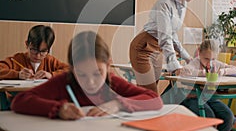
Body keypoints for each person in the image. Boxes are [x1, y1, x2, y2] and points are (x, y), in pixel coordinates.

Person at [11, 31, 163, 120]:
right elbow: (20, 101)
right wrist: (59, 109)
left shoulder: (112, 83)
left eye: (98, 73)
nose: (90, 82)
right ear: (71, 69)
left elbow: (154, 99)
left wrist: (118, 104)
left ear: (108, 65)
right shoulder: (63, 82)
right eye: (81, 74)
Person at [130, 0, 202, 92]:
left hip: (158, 49)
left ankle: (133, 108)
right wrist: (174, 65)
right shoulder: (165, 3)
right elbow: (165, 36)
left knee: (149, 92)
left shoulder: (182, 4)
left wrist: (188, 58)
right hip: (143, 47)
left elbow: (172, 34)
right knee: (149, 93)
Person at [180, 39, 236, 131]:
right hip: (192, 97)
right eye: (206, 59)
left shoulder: (215, 64)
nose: (209, 62)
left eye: (212, 59)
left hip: (210, 98)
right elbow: (185, 72)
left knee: (228, 117)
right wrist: (203, 73)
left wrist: (222, 71)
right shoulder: (195, 63)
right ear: (199, 53)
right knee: (209, 116)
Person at [0, 25, 69, 80]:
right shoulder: (16, 60)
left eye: (43, 51)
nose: (38, 55)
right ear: (27, 44)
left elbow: (70, 70)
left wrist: (51, 75)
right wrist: (17, 75)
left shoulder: (50, 61)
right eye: (34, 50)